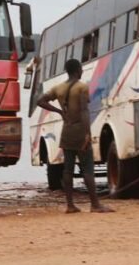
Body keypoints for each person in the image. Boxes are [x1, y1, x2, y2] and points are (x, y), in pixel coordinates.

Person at [36, 59, 113, 213]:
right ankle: (95, 205)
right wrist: (87, 134)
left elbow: (40, 101)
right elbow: (84, 112)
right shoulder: (82, 87)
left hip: (67, 131)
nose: (82, 71)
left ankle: (70, 205)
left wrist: (59, 111)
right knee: (88, 169)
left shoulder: (58, 88)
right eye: (81, 69)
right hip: (79, 130)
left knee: (68, 170)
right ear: (78, 70)